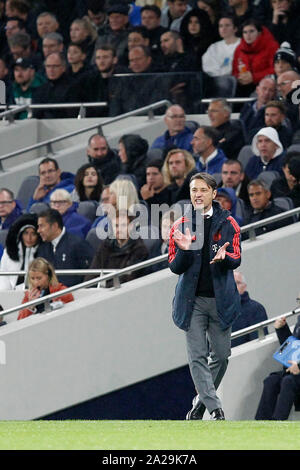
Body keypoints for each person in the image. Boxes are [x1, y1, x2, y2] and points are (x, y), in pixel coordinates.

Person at [168, 172, 241, 420]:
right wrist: (185, 251)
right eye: (193, 190)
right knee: (197, 356)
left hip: (221, 301)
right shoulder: (180, 226)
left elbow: (237, 258)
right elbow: (174, 267)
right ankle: (216, 409)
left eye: (202, 190)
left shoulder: (229, 223)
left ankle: (199, 404)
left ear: (213, 193)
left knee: (221, 355)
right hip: (192, 302)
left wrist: (226, 257)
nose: (197, 194)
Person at [85, 209, 148, 287]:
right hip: (102, 293)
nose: (119, 229)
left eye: (123, 225)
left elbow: (128, 279)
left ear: (131, 226)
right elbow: (92, 275)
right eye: (116, 226)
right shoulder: (105, 246)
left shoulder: (140, 250)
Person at [255, 314, 300, 420]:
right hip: (294, 371)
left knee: (288, 381)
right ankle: (261, 423)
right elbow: (292, 347)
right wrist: (282, 329)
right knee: (271, 380)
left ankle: (278, 423)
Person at [36, 208, 94, 287]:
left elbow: (91, 275)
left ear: (54, 226)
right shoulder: (43, 248)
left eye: (41, 226)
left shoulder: (78, 244)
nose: (38, 230)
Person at [232, 18, 279, 96]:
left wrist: (254, 77)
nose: (248, 35)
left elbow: (276, 69)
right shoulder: (239, 48)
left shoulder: (272, 46)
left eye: (251, 31)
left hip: (266, 86)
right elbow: (234, 71)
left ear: (259, 33)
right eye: (245, 32)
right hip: (243, 86)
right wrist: (240, 78)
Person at [31, 51, 82, 119]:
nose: (51, 70)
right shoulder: (40, 90)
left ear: (63, 68)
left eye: (55, 66)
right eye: (48, 66)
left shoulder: (73, 87)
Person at [0, 213, 41, 290]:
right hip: (8, 295)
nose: (29, 238)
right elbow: (3, 277)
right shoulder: (9, 252)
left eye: (33, 234)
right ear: (21, 234)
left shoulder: (43, 252)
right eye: (26, 233)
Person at [231, 270, 268, 347]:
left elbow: (258, 341)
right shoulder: (215, 311)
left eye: (237, 283)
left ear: (244, 286)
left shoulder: (256, 309)